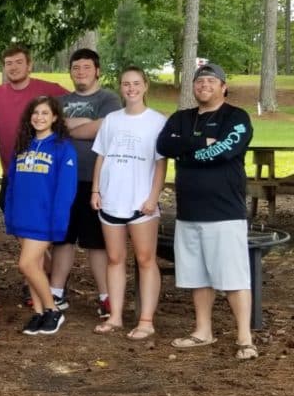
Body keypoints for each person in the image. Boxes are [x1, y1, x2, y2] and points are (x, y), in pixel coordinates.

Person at [156, 63, 257, 360]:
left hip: (225, 213)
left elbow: (226, 150)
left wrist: (186, 149)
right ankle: (203, 331)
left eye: (211, 81)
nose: (204, 85)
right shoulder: (181, 118)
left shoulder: (236, 117)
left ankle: (245, 338)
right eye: (200, 82)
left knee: (233, 277)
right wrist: (201, 143)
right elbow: (163, 144)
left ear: (223, 86)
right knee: (197, 276)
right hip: (188, 212)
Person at [91, 67, 166, 339]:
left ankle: (146, 319)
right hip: (112, 199)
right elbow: (101, 156)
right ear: (120, 88)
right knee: (114, 258)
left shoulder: (157, 121)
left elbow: (161, 164)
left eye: (136, 83)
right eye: (126, 84)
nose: (131, 89)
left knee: (145, 259)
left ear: (145, 86)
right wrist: (96, 190)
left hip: (141, 203)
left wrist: (153, 197)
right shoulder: (111, 119)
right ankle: (116, 316)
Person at [51, 49, 121, 317]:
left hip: (96, 181)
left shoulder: (109, 99)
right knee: (63, 238)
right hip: (63, 181)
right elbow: (50, 126)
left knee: (96, 241)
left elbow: (105, 127)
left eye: (86, 67)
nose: (81, 72)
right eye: (76, 68)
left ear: (97, 70)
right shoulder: (59, 100)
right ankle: (55, 294)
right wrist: (86, 124)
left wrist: (69, 126)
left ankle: (106, 297)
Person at [4, 96, 77, 336]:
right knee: (32, 266)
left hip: (44, 220)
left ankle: (53, 309)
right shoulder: (22, 145)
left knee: (25, 264)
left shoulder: (62, 147)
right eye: (35, 113)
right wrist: (11, 216)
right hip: (22, 217)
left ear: (55, 117)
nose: (39, 117)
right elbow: (12, 184)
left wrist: (58, 223)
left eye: (45, 113)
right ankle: (38, 313)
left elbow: (66, 190)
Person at [0, 44, 68, 208]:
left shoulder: (51, 91)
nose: (13, 67)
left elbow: (76, 108)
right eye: (9, 63)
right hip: (12, 175)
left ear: (29, 65)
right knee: (16, 225)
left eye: (19, 62)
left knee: (43, 228)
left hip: (45, 175)